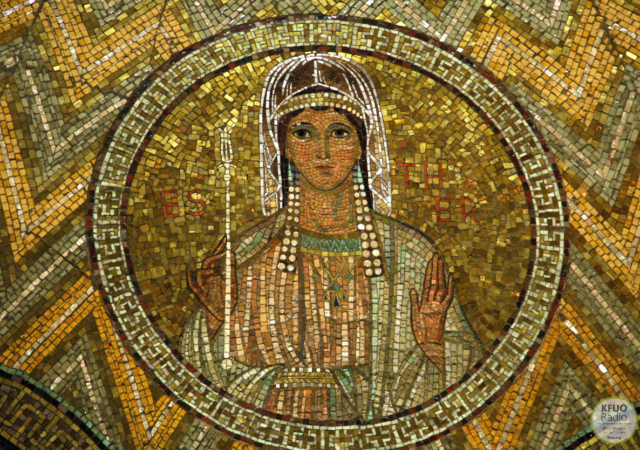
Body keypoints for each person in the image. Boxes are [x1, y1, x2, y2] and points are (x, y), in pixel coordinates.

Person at [180, 55, 481, 420]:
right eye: (303, 133)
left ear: (361, 146)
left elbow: (466, 375)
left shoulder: (409, 254)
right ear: (284, 147)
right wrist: (215, 319)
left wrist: (433, 345)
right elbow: (199, 377)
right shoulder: (247, 253)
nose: (322, 151)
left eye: (339, 132)